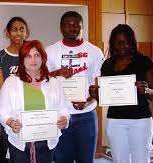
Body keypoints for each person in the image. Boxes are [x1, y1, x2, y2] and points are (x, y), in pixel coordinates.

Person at [0, 40, 70, 163]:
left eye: (37, 55)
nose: (33, 60)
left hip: (46, 141)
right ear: (22, 60)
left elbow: (63, 108)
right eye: (28, 56)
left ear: (43, 58)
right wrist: (10, 122)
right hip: (19, 141)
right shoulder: (11, 82)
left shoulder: (54, 82)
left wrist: (64, 119)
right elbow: (1, 109)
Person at [46, 11, 104, 163]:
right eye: (68, 25)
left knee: (86, 160)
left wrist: (89, 101)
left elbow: (100, 85)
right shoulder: (50, 51)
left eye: (76, 25)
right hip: (60, 115)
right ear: (61, 28)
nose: (72, 29)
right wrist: (57, 72)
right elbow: (42, 80)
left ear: (82, 27)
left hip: (86, 115)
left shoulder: (95, 52)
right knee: (61, 160)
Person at [96, 24, 153, 163]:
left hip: (141, 120)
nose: (122, 46)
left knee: (141, 159)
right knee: (120, 160)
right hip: (115, 120)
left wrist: (147, 90)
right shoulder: (107, 65)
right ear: (112, 44)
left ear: (132, 42)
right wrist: (96, 93)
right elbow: (104, 96)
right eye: (118, 43)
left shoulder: (144, 61)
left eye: (126, 42)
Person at [0, 16, 29, 163]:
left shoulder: (31, 55)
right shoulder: (0, 56)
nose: (18, 33)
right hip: (6, 113)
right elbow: (1, 87)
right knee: (3, 153)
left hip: (27, 112)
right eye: (14, 30)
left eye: (21, 29)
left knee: (23, 154)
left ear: (27, 33)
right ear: (8, 33)